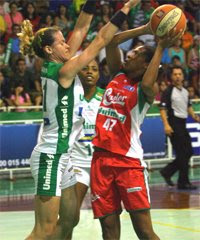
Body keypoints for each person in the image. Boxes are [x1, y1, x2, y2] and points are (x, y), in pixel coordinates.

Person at [18, 0, 141, 239]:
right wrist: (124, 10)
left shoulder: (60, 62)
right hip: (51, 155)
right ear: (48, 50)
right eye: (62, 42)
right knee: (43, 230)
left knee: (70, 218)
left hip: (64, 156)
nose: (67, 44)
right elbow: (100, 41)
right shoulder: (64, 71)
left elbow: (82, 28)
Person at [90, 22, 183, 240]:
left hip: (127, 163)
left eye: (137, 54)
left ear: (145, 65)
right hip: (100, 161)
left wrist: (160, 47)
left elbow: (150, 81)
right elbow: (112, 40)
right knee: (109, 229)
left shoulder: (145, 90)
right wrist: (144, 30)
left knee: (144, 231)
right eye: (133, 51)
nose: (130, 54)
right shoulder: (116, 75)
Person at [69, 59, 105, 238]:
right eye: (85, 69)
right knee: (70, 216)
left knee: (108, 218)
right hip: (78, 164)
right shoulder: (70, 96)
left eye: (94, 69)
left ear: (99, 74)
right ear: (77, 72)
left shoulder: (107, 98)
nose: (90, 72)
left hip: (102, 164)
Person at [159, 66, 200, 190]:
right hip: (173, 124)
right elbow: (162, 109)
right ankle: (183, 182)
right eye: (175, 74)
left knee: (188, 152)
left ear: (183, 76)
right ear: (171, 77)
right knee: (183, 153)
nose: (177, 76)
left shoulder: (186, 91)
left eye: (179, 74)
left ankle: (167, 171)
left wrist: (194, 116)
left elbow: (188, 106)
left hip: (182, 123)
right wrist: (166, 125)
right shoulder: (168, 91)